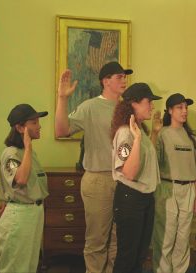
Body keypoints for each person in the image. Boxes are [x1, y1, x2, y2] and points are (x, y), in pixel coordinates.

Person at [55, 61, 133, 273]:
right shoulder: (90, 106)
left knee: (118, 239)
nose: (124, 80)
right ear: (106, 81)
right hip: (99, 179)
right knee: (97, 241)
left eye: (125, 76)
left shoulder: (127, 107)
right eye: (119, 77)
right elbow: (61, 130)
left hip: (126, 180)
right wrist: (62, 99)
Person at [111, 83, 162, 273]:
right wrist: (138, 139)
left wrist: (154, 133)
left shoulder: (139, 131)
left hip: (144, 198)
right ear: (134, 104)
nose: (152, 106)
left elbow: (146, 162)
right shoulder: (127, 133)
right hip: (130, 199)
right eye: (148, 102)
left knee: (139, 256)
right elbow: (130, 173)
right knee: (127, 257)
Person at [151, 93, 196, 273]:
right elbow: (153, 162)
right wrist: (154, 133)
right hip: (167, 188)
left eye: (186, 107)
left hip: (188, 190)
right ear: (170, 111)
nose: (184, 110)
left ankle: (180, 270)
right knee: (165, 236)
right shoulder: (163, 133)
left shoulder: (192, 137)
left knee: (183, 237)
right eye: (180, 107)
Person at [0, 104, 48, 273]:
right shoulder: (12, 153)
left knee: (29, 265)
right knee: (14, 267)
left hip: (33, 213)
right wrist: (28, 148)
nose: (39, 126)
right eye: (34, 122)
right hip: (19, 216)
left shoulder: (27, 153)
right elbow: (20, 179)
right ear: (20, 127)